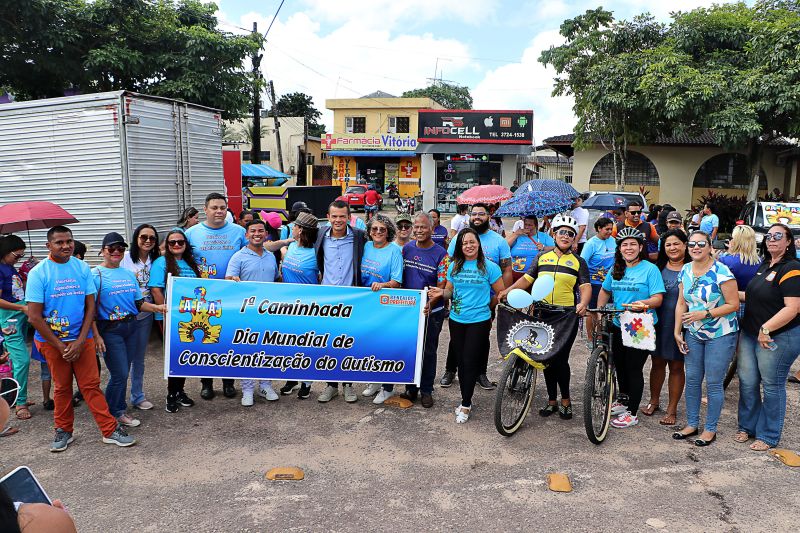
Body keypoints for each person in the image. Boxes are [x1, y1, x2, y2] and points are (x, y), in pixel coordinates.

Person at [26, 226, 135, 451]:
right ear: (49, 246)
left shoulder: (82, 267)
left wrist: (81, 340)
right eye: (59, 242)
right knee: (62, 388)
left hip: (81, 339)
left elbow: (90, 306)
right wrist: (61, 346)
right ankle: (63, 430)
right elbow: (34, 317)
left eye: (69, 241)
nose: (66, 246)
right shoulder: (39, 273)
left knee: (91, 386)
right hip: (51, 342)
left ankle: (109, 430)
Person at [498, 215, 591, 419]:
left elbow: (585, 286)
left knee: (560, 359)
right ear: (554, 234)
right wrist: (509, 290)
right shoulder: (542, 256)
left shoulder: (578, 261)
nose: (565, 236)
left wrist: (583, 303)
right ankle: (551, 400)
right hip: (541, 312)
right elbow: (527, 279)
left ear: (574, 238)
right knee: (545, 358)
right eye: (561, 232)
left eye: (570, 233)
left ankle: (565, 399)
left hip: (566, 316)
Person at [428, 228, 505, 423]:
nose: (468, 246)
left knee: (470, 360)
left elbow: (501, 293)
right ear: (459, 247)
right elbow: (449, 293)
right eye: (464, 243)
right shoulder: (454, 267)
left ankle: (466, 402)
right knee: (462, 361)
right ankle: (466, 394)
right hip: (456, 320)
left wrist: (489, 306)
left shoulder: (490, 267)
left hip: (479, 321)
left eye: (472, 242)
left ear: (478, 244)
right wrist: (439, 293)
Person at [91, 232, 166, 428]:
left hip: (131, 326)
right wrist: (96, 335)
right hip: (110, 329)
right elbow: (88, 310)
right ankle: (115, 412)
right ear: (102, 251)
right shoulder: (95, 275)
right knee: (120, 373)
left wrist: (158, 308)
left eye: (120, 248)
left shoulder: (128, 274)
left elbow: (139, 303)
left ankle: (113, 409)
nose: (116, 252)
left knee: (126, 368)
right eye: (111, 248)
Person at [736, 223, 800, 451]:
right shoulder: (765, 265)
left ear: (789, 241)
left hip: (778, 336)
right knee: (747, 381)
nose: (771, 239)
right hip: (750, 332)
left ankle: (769, 435)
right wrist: (727, 292)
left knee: (772, 385)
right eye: (769, 236)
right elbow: (755, 297)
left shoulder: (792, 268)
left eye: (778, 236)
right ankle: (747, 426)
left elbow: (792, 308)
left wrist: (766, 329)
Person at [672, 231, 739, 446]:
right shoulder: (685, 269)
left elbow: (733, 304)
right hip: (693, 333)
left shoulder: (722, 272)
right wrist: (677, 330)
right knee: (692, 380)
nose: (696, 247)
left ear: (710, 247)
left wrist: (705, 314)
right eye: (692, 244)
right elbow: (681, 303)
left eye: (701, 244)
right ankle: (692, 424)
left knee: (713, 382)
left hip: (721, 333)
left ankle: (710, 429)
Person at [597, 227, 665, 429]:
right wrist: (600, 311)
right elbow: (604, 290)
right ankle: (624, 399)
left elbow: (658, 298)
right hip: (618, 322)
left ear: (641, 247)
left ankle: (632, 412)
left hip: (640, 325)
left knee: (634, 368)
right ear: (619, 249)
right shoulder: (615, 268)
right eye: (624, 244)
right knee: (620, 365)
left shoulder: (650, 269)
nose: (628, 248)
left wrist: (642, 303)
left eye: (633, 244)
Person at [442, 203, 513, 389]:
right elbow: (450, 267)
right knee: (456, 339)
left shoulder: (499, 241)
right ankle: (450, 370)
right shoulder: (460, 237)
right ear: (469, 216)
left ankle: (481, 373)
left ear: (489, 216)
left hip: (488, 301)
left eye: (481, 214)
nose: (477, 217)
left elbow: (506, 269)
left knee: (481, 339)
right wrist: (446, 294)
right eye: (474, 214)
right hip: (461, 299)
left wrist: (501, 296)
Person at [185, 192, 246, 400]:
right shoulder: (192, 233)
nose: (219, 211)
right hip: (202, 297)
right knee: (205, 339)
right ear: (205, 209)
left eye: (222, 207)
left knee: (228, 339)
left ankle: (228, 382)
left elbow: (250, 255)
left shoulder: (239, 231)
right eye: (214, 208)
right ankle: (207, 382)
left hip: (231, 296)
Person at [314, 200, 366, 403]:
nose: (338, 220)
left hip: (351, 299)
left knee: (348, 343)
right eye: (334, 216)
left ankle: (348, 385)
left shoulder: (359, 237)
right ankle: (331, 385)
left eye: (342, 216)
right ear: (328, 217)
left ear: (349, 217)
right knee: (329, 343)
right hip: (328, 299)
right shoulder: (320, 235)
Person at [225, 219, 281, 406]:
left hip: (268, 313)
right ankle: (247, 389)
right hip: (246, 313)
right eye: (253, 231)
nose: (257, 234)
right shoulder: (238, 257)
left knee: (268, 350)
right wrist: (233, 280)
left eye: (260, 231)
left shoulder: (270, 256)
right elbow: (228, 282)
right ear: (246, 235)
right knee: (247, 351)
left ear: (266, 234)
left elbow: (275, 281)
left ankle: (265, 385)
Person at [397, 212, 447, 408]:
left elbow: (441, 284)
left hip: (431, 312)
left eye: (423, 227)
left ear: (432, 229)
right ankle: (411, 388)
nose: (419, 231)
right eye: (416, 227)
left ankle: (426, 390)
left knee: (428, 351)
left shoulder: (441, 254)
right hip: (410, 311)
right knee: (411, 350)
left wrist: (431, 304)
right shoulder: (406, 249)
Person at [148, 228, 200, 413]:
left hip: (189, 317)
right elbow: (155, 289)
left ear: (185, 244)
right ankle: (171, 394)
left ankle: (180, 391)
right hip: (169, 317)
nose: (177, 245)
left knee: (184, 354)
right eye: (172, 242)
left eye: (180, 242)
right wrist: (166, 312)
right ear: (167, 245)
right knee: (174, 356)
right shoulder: (161, 263)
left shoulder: (191, 263)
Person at [644, 229, 690, 426]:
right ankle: (654, 401)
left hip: (683, 324)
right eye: (668, 244)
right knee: (657, 363)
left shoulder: (692, 268)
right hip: (659, 322)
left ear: (685, 245)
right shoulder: (657, 268)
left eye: (676, 243)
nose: (672, 248)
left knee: (677, 366)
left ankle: (672, 409)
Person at [359, 214, 404, 404]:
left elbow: (397, 281)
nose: (378, 232)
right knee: (368, 345)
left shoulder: (394, 251)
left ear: (389, 232)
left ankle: (387, 387)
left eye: (382, 229)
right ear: (369, 231)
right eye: (375, 229)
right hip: (365, 304)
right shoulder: (365, 247)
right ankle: (374, 382)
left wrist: (382, 285)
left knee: (385, 346)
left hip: (384, 304)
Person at [278, 212, 320, 399]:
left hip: (308, 307)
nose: (291, 227)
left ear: (301, 229)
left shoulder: (316, 253)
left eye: (295, 225)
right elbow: (271, 248)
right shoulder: (291, 245)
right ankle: (292, 378)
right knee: (289, 345)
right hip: (288, 306)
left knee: (306, 345)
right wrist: (283, 248)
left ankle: (307, 381)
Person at [120, 224, 160, 411]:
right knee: (122, 360)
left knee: (139, 358)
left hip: (146, 315)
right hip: (124, 316)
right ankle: (118, 397)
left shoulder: (157, 260)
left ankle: (138, 396)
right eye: (143, 237)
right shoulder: (125, 259)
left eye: (152, 238)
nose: (148, 241)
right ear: (136, 238)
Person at [0, 235, 31, 420]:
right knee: (22, 360)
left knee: (15, 361)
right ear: (5, 251)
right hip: (10, 318)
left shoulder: (10, 268)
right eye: (17, 255)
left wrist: (27, 271)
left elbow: (17, 290)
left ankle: (14, 395)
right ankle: (20, 403)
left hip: (21, 314)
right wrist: (21, 307)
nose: (19, 258)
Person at [580, 217, 616, 337]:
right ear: (599, 229)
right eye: (607, 229)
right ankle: (591, 337)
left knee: (607, 310)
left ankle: (601, 335)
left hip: (610, 282)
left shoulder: (613, 241)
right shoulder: (591, 244)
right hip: (594, 283)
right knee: (593, 311)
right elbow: (582, 262)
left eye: (611, 229)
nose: (610, 232)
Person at [718, 225, 761, 320]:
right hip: (755, 306)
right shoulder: (762, 263)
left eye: (732, 238)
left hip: (731, 306)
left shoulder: (724, 261)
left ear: (736, 241)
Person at [506, 215, 554, 282]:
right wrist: (516, 234)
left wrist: (544, 247)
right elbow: (503, 246)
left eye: (530, 225)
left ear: (536, 225)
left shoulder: (544, 237)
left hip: (535, 276)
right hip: (515, 275)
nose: (527, 227)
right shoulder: (518, 236)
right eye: (525, 224)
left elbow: (557, 248)